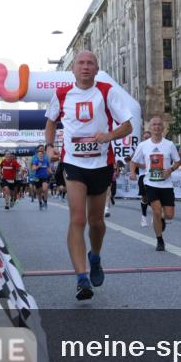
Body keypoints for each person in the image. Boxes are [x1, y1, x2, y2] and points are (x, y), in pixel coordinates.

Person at [45, 50, 134, 301]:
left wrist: (109, 136)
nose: (85, 67)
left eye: (90, 63)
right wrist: (49, 146)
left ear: (96, 69)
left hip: (101, 163)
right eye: (81, 63)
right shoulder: (62, 94)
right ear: (73, 69)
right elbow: (51, 122)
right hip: (73, 163)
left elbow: (128, 125)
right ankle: (81, 278)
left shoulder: (107, 91)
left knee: (96, 222)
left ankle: (95, 257)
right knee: (77, 219)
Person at [131, 117, 181, 252]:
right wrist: (132, 173)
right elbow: (133, 161)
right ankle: (159, 240)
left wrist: (170, 170)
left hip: (166, 184)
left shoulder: (169, 145)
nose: (157, 127)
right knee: (156, 210)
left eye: (159, 124)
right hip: (150, 183)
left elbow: (178, 161)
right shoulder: (143, 145)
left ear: (163, 128)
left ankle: (162, 220)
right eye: (154, 124)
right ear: (150, 127)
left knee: (169, 215)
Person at [30, 145, 51, 210]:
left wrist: (50, 172)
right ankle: (40, 203)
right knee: (39, 192)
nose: (41, 154)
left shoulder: (46, 159)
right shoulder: (35, 159)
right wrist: (38, 166)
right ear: (37, 154)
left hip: (45, 176)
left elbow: (48, 167)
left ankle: (45, 201)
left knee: (45, 189)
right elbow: (32, 168)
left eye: (42, 150)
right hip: (37, 177)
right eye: (39, 153)